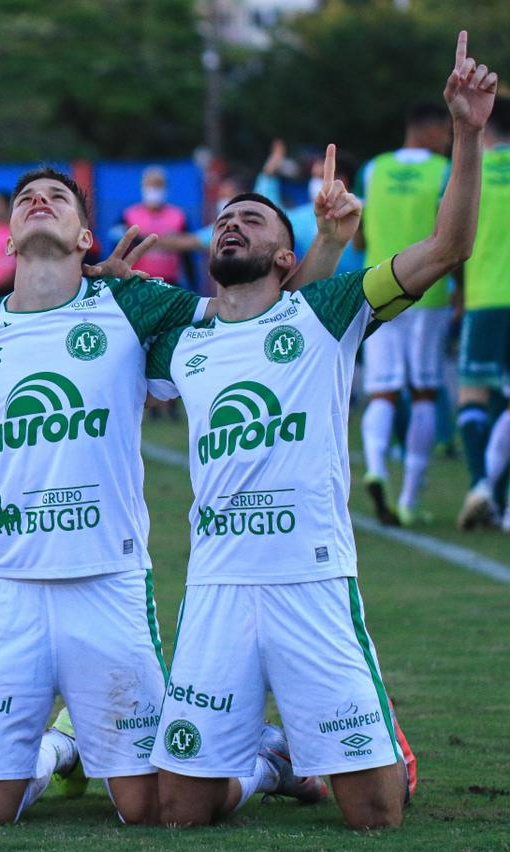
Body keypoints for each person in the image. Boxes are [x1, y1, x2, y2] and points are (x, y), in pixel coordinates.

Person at [0, 165, 352, 825]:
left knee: (149, 809)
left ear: (84, 237)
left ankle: (266, 760)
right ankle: (61, 747)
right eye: (26, 199)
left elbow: (260, 317)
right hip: (6, 587)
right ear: (8, 237)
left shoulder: (132, 305)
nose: (39, 202)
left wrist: (327, 246)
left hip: (107, 582)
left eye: (57, 198)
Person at [142, 33, 494, 829]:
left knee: (377, 815)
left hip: (312, 581)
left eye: (253, 221)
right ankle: (272, 764)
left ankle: (377, 746)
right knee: (180, 811)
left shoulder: (327, 313)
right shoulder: (181, 333)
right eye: (225, 220)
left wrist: (467, 133)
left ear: (287, 254)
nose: (231, 226)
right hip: (216, 589)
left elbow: (449, 248)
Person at [357, 100, 455, 526]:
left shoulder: (373, 170)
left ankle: (376, 467)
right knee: (424, 391)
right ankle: (410, 499)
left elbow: (359, 239)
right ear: (430, 131)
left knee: (381, 390)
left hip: (378, 288)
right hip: (428, 292)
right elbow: (456, 233)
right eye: (447, 132)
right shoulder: (443, 172)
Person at [455, 95, 510, 531]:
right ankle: (501, 499)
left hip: (486, 297)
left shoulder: (468, 170)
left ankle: (481, 485)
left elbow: (449, 238)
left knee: (472, 395)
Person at [255, 139, 365, 276]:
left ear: (341, 180)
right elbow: (270, 212)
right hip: (320, 293)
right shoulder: (305, 216)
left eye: (320, 176)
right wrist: (268, 173)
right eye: (313, 176)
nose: (314, 182)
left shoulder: (367, 210)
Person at [115, 166, 193, 287]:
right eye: (149, 185)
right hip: (137, 282)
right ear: (142, 187)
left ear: (166, 188)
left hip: (170, 283)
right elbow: (117, 246)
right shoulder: (128, 215)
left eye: (158, 185)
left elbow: (188, 254)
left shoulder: (179, 216)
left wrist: (193, 284)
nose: (153, 189)